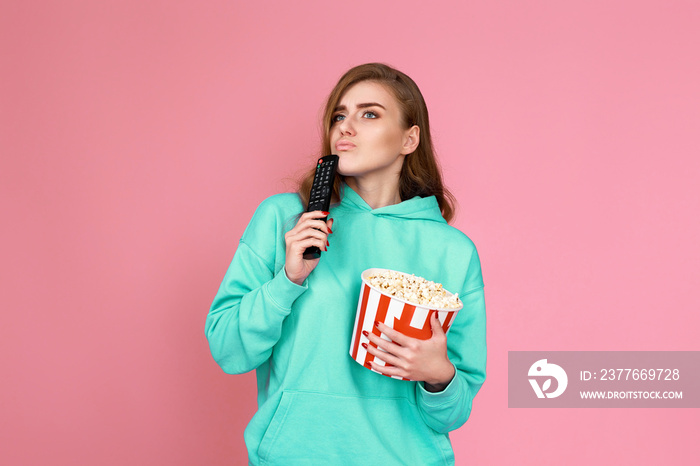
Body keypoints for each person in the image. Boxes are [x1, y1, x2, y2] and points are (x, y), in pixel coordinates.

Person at [205, 63, 486, 465]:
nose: (345, 128)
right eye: (339, 115)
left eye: (369, 114)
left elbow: (453, 414)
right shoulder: (286, 220)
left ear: (409, 139)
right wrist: (287, 280)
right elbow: (228, 350)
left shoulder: (452, 252)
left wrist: (439, 376)